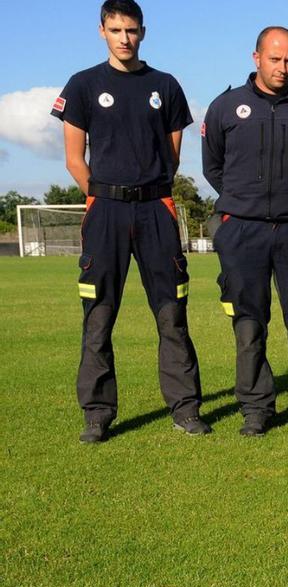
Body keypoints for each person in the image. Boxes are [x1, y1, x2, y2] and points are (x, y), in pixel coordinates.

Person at [52, 0, 209, 443]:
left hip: (155, 208)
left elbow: (172, 154)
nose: (125, 38)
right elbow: (72, 158)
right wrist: (103, 196)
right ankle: (98, 413)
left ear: (143, 32)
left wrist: (146, 190)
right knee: (99, 315)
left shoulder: (165, 85)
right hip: (105, 212)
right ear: (102, 30)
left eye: (132, 30)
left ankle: (185, 408)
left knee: (172, 313)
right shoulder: (83, 85)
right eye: (116, 29)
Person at [202, 26, 288, 436]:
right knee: (249, 321)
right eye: (275, 58)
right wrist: (243, 206)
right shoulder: (225, 107)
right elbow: (214, 168)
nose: (283, 67)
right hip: (242, 230)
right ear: (256, 57)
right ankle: (256, 407)